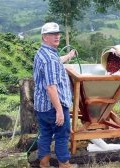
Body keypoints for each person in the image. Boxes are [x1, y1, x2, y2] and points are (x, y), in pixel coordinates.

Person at [33, 22, 76, 168]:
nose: (57, 36)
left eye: (58, 33)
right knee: (62, 136)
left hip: (41, 106)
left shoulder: (42, 53)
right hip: (53, 106)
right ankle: (64, 164)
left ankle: (44, 163)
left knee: (45, 134)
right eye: (52, 34)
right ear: (45, 37)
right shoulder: (50, 59)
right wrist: (59, 111)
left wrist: (69, 55)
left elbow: (56, 62)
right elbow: (51, 87)